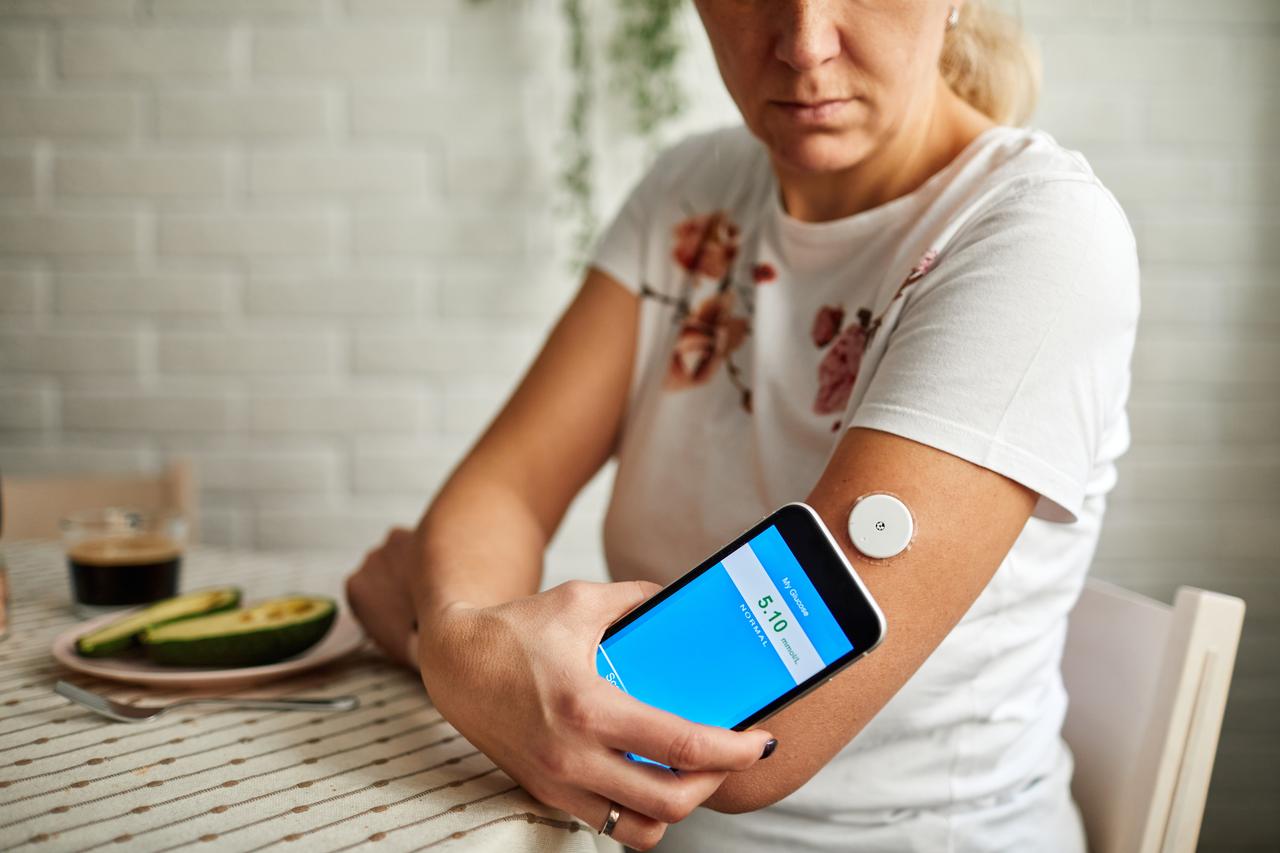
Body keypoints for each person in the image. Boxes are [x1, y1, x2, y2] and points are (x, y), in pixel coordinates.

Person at [344, 0, 1139, 850]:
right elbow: (504, 489)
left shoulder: (1036, 237)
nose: (802, 44)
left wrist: (444, 631)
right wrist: (470, 647)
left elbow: (746, 734)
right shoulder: (692, 191)